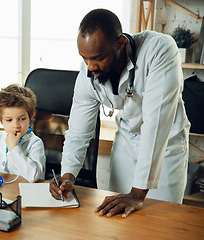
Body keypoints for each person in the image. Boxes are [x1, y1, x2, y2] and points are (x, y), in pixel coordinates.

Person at [49, 9, 190, 217]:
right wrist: (68, 176)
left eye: (97, 58)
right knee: (115, 217)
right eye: (84, 58)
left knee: (162, 221)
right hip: (126, 140)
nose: (90, 67)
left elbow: (155, 125)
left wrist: (137, 194)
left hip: (165, 145)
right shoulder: (88, 71)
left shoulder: (159, 50)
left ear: (120, 43)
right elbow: (78, 131)